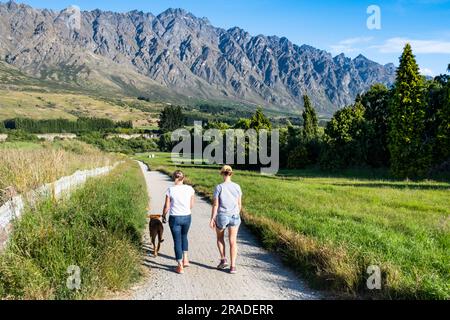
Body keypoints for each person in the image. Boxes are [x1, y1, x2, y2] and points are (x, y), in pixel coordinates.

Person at [210, 165, 242, 274]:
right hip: (234, 216)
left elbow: (215, 205)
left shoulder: (219, 187)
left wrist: (212, 218)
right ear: (231, 174)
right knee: (233, 241)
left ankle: (223, 259)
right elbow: (239, 204)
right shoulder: (237, 187)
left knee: (220, 238)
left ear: (222, 174)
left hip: (222, 216)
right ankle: (233, 267)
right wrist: (237, 214)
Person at [163, 170, 195, 274]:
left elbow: (167, 206)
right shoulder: (190, 189)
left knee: (177, 241)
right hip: (186, 216)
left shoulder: (170, 190)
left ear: (173, 178)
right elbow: (191, 205)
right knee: (184, 236)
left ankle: (180, 266)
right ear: (183, 178)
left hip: (174, 218)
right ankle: (186, 259)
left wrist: (163, 215)